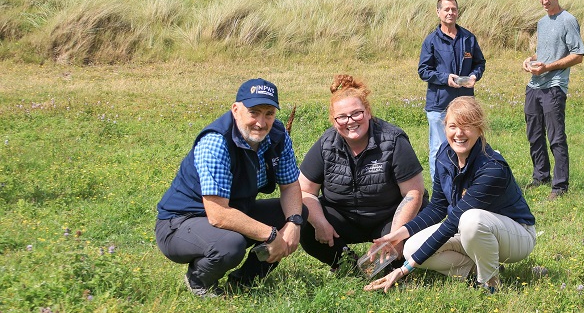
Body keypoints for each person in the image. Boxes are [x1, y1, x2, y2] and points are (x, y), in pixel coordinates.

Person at [364, 97, 536, 293]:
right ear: (445, 127)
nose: (459, 133)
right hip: (471, 231)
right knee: (411, 247)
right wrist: (396, 236)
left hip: (516, 236)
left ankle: (490, 284)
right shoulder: (445, 155)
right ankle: (473, 269)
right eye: (453, 126)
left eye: (467, 126)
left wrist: (404, 269)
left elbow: (452, 222)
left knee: (471, 219)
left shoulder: (492, 168)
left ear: (479, 130)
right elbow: (437, 207)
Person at [155, 78, 306, 296]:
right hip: (180, 223)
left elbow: (291, 186)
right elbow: (218, 215)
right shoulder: (216, 141)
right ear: (236, 110)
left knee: (298, 213)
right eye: (254, 112)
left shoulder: (277, 135)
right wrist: (272, 235)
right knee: (230, 244)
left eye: (269, 114)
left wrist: (293, 223)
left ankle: (244, 283)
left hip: (235, 210)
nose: (261, 123)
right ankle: (199, 280)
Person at [297, 74, 426, 270]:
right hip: (344, 217)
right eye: (341, 117)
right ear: (333, 120)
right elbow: (305, 190)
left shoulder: (393, 140)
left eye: (356, 113)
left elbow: (413, 193)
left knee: (408, 240)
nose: (350, 121)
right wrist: (320, 222)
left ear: (368, 112)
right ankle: (346, 264)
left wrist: (397, 236)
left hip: (388, 215)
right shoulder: (326, 144)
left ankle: (391, 262)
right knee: (306, 223)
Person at [522, 0, 584, 199]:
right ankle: (541, 176)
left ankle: (560, 186)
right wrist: (530, 60)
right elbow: (545, 53)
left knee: (556, 136)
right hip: (534, 85)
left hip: (554, 86)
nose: (544, 1)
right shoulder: (541, 22)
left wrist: (548, 67)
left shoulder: (568, 20)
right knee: (534, 134)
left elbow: (577, 55)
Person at [417, 0, 486, 161]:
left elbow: (480, 63)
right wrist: (445, 78)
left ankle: (465, 184)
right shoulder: (431, 41)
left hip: (465, 104)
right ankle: (440, 187)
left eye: (453, 9)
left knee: (466, 146)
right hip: (439, 105)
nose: (450, 12)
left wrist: (474, 75)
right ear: (438, 12)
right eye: (446, 9)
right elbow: (423, 70)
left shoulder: (468, 38)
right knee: (439, 149)